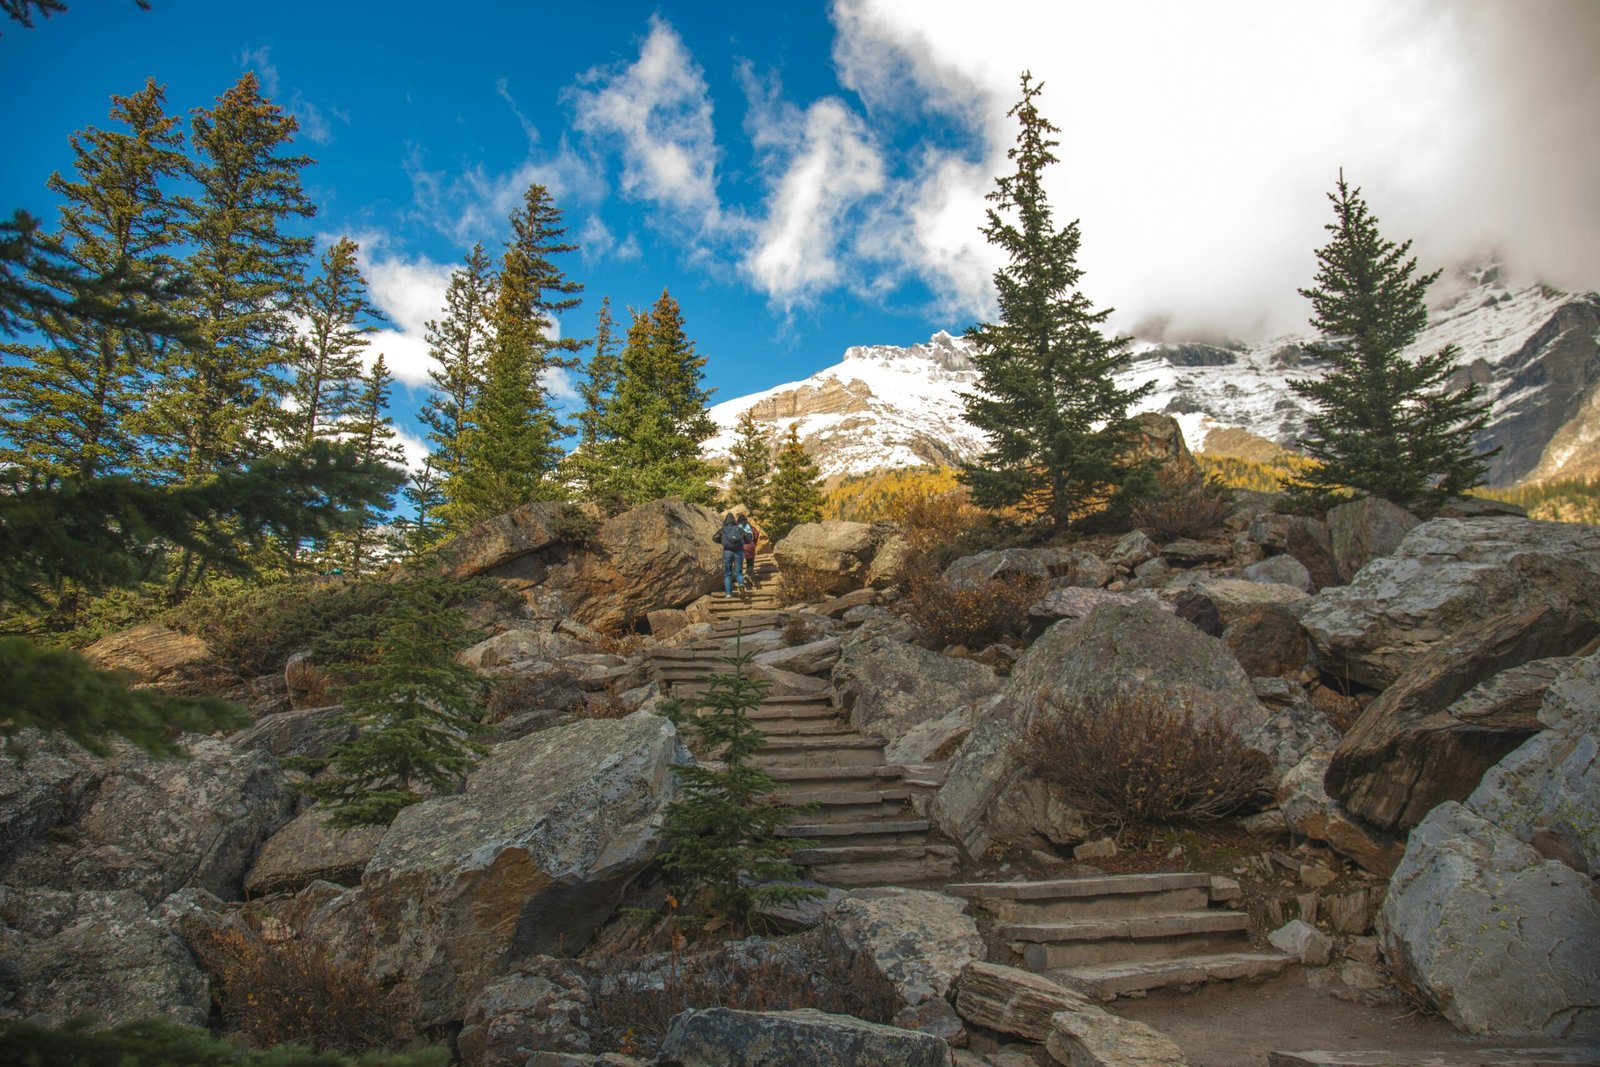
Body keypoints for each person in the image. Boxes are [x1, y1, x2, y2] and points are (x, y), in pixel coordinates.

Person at [713, 512, 749, 597]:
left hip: (727, 552)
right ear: (734, 521)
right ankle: (740, 584)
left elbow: (714, 538)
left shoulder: (723, 529)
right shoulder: (739, 529)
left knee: (728, 573)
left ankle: (728, 593)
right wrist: (743, 542)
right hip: (739, 552)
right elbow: (748, 539)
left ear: (726, 521)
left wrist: (722, 541)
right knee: (739, 572)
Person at [737, 513, 763, 588]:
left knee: (739, 564)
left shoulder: (737, 527)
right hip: (749, 546)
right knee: (750, 563)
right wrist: (753, 542)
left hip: (739, 547)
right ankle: (747, 575)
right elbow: (757, 533)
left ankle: (740, 580)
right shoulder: (750, 526)